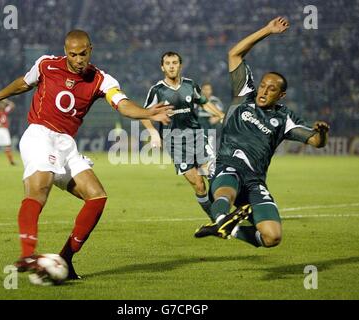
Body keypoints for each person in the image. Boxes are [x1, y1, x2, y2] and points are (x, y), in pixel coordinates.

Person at [0, 30, 172, 281]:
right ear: (65, 51)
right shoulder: (46, 65)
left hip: (66, 144)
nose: (79, 59)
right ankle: (27, 254)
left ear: (90, 49)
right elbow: (24, 83)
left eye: (83, 54)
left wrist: (146, 113)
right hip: (40, 134)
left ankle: (66, 261)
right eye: (73, 54)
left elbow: (121, 103)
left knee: (97, 197)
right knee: (41, 185)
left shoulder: (101, 80)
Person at [194, 17, 330, 248]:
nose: (264, 90)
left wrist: (322, 132)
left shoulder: (284, 118)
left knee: (272, 237)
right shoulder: (244, 95)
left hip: (255, 181)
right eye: (263, 85)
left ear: (281, 95)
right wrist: (267, 30)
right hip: (229, 166)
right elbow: (234, 54)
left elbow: (317, 141)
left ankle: (229, 229)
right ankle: (220, 219)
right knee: (225, 192)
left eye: (272, 88)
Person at [141, 52, 225, 221]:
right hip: (176, 143)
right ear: (162, 67)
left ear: (180, 65)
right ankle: (216, 218)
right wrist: (154, 133)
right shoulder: (157, 90)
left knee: (215, 177)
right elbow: (144, 114)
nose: (171, 66)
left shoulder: (190, 85)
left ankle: (224, 212)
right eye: (168, 63)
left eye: (174, 62)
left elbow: (204, 102)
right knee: (199, 186)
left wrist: (220, 114)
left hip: (197, 136)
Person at [196, 83, 225, 147]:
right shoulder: (197, 99)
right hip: (200, 121)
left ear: (211, 90)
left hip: (211, 122)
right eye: (204, 89)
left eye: (208, 89)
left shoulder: (215, 100)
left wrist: (217, 118)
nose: (206, 91)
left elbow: (222, 114)